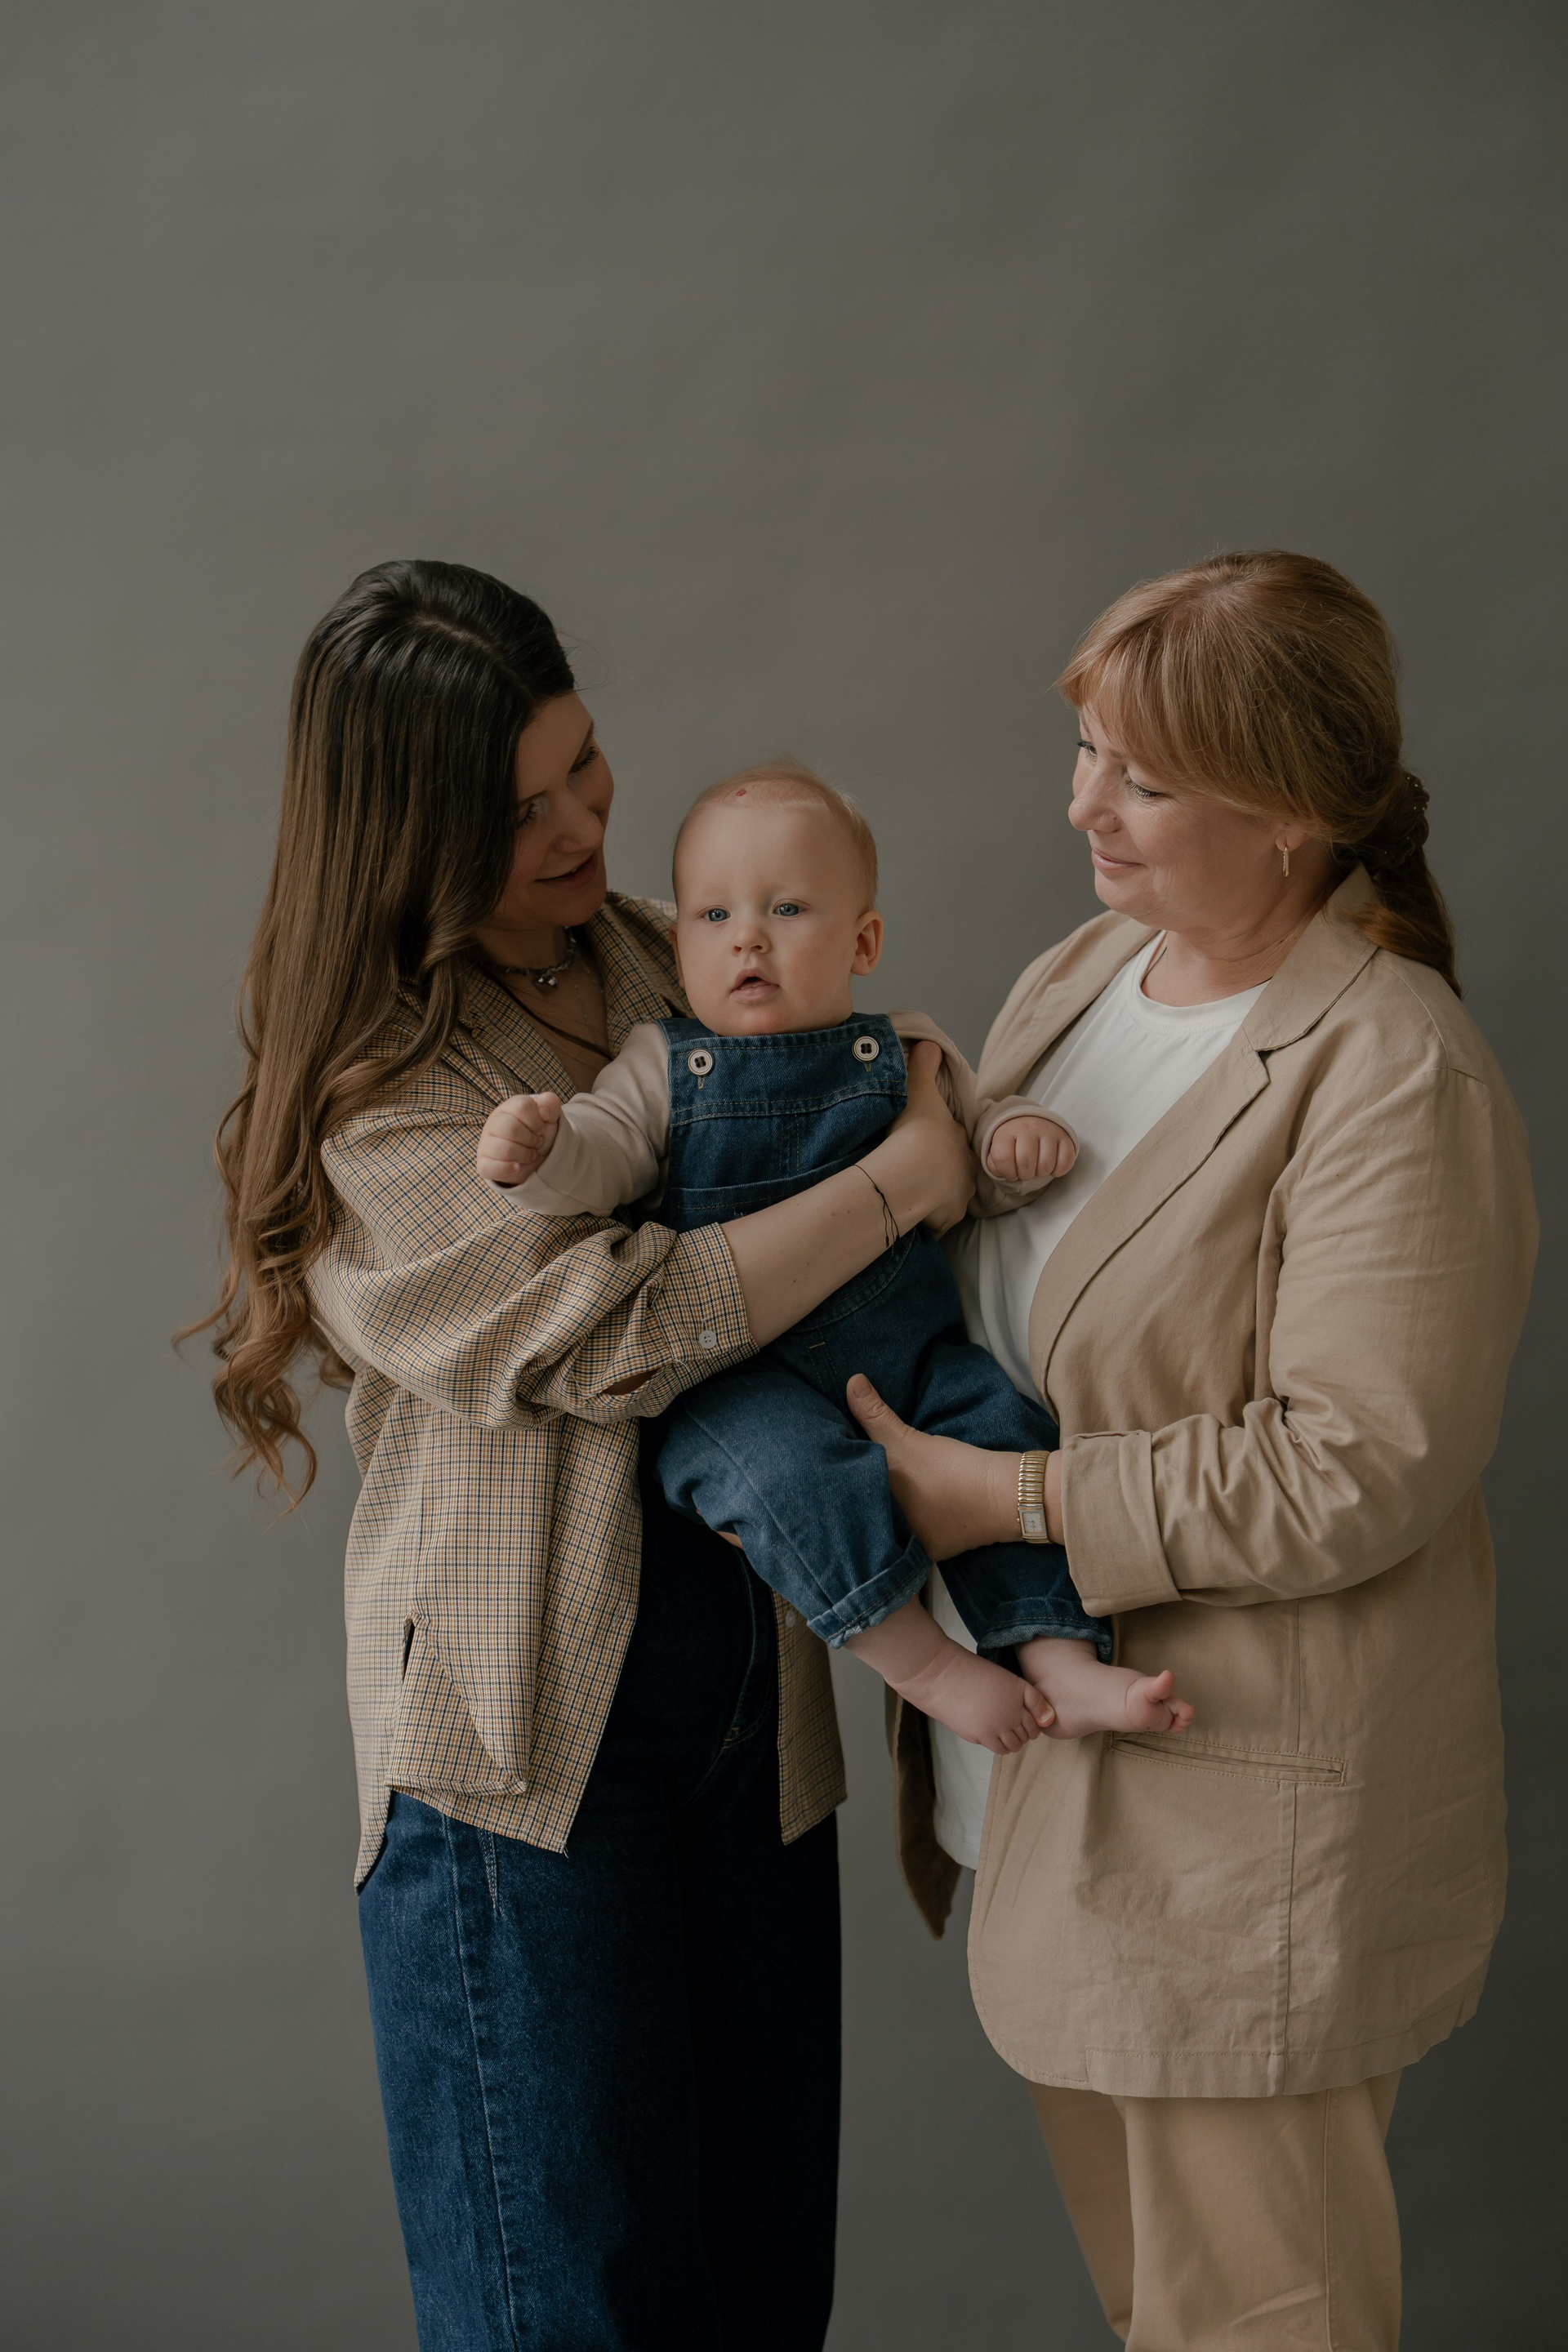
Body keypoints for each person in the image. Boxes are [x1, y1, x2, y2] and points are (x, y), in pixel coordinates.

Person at [189, 559, 980, 2352]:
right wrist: (897, 1189)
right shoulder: (377, 1084)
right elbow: (609, 1330)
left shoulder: (658, 952)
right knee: (576, 2319)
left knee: (764, 2301)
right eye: (515, 807)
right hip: (519, 1757)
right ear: (402, 834)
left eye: (585, 766)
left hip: (754, 1717)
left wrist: (945, 1128)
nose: (576, 827)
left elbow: (864, 1077)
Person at [844, 550, 1538, 2352]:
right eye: (1086, 750)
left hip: (1241, 1836)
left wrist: (1005, 1501)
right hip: (1057, 1802)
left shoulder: (1391, 1068)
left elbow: (1359, 1463)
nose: (1083, 805)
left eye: (1143, 779)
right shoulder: (1088, 975)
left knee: (1255, 2330)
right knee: (1155, 2315)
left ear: (1293, 812)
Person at [476, 761, 1195, 1748]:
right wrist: (545, 1153)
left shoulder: (903, 1049)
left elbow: (973, 1154)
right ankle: (924, 1664)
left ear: (862, 942)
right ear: (679, 943)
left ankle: (1060, 1657)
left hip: (911, 1357)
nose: (748, 939)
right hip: (740, 1382)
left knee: (1006, 1428)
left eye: (786, 909)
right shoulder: (661, 1065)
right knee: (785, 1478)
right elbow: (602, 1159)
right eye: (714, 916)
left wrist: (1011, 1141)